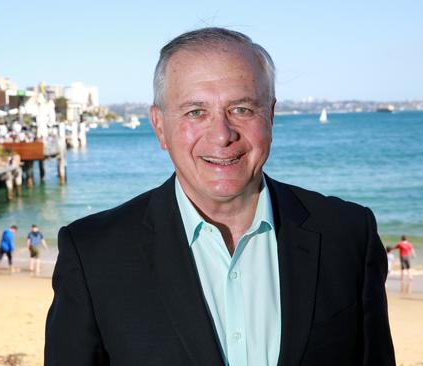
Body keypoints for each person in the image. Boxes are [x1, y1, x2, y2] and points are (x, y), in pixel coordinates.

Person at [45, 28, 395, 366]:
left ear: (270, 116)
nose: (223, 134)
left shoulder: (348, 235)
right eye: (196, 112)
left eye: (241, 109)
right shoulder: (93, 254)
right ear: (159, 126)